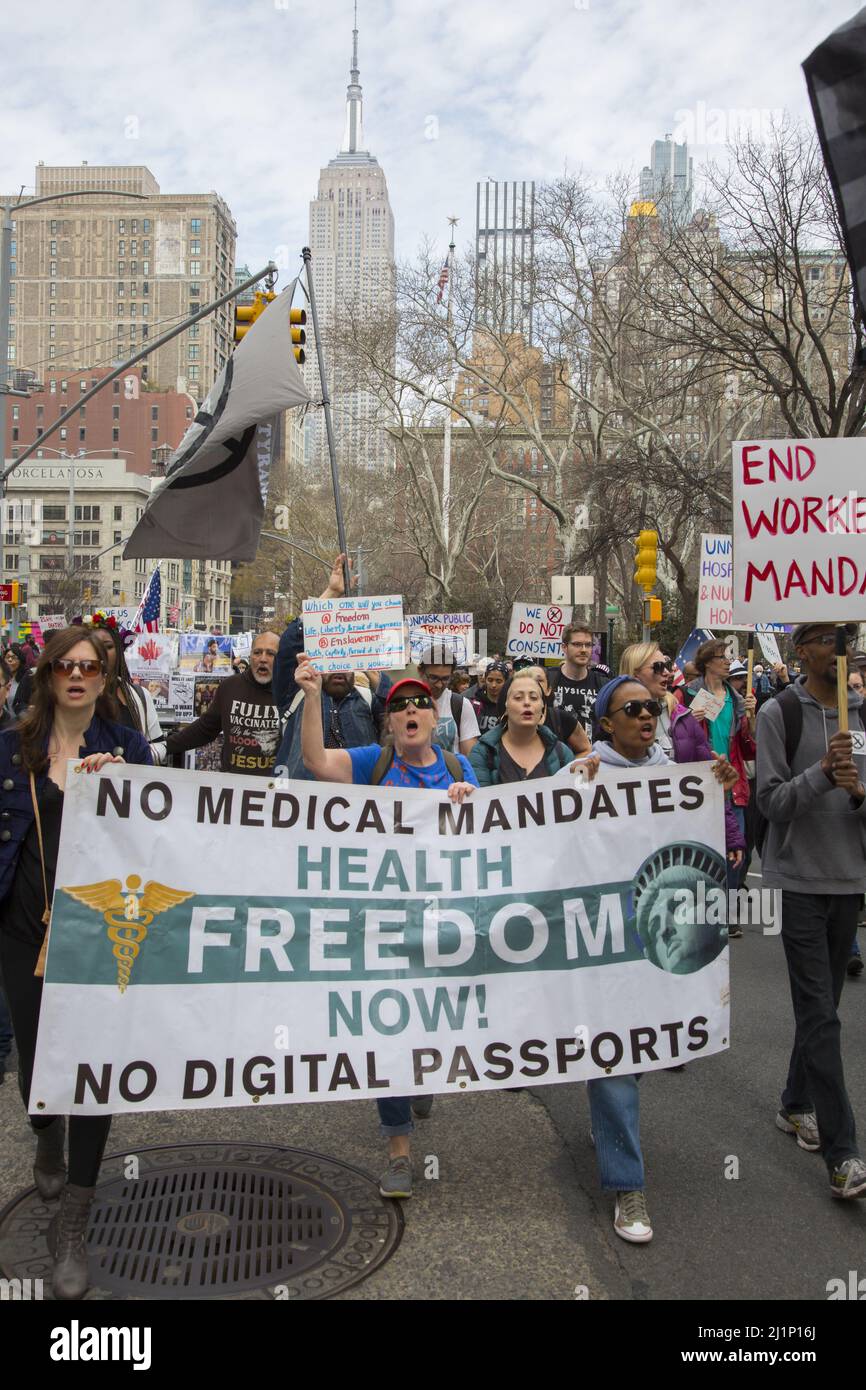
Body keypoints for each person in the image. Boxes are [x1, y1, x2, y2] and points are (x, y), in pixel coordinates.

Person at [0, 627, 152, 1298]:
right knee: (38, 1066)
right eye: (64, 664)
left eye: (89, 666)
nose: (77, 675)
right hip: (23, 930)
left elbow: (169, 827)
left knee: (94, 1070)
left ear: (104, 677)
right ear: (46, 675)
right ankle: (44, 1132)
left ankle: (74, 1222)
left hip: (98, 933)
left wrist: (126, 790)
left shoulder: (125, 747)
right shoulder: (12, 749)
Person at [295, 656, 477, 1200]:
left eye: (421, 701)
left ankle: (423, 1076)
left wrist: (468, 803)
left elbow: (494, 836)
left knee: (433, 1018)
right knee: (390, 1027)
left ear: (435, 714)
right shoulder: (372, 762)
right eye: (399, 704)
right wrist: (309, 696)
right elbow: (314, 761)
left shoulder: (458, 767)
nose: (411, 710)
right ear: (389, 720)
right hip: (384, 921)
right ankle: (398, 1149)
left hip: (444, 921)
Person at [577, 674, 735, 1243]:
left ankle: (605, 1115)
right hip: (596, 941)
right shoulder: (579, 777)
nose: (648, 716)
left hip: (651, 936)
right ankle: (627, 1185)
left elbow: (702, 840)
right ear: (606, 724)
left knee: (631, 1049)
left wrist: (718, 789)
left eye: (653, 707)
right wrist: (567, 787)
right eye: (633, 709)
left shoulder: (676, 777)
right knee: (615, 1051)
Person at [756, 621, 866, 1199]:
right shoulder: (780, 713)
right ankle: (844, 1153)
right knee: (821, 1014)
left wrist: (857, 791)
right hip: (798, 880)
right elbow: (770, 801)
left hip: (849, 880)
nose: (839, 646)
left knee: (823, 1010)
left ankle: (795, 1100)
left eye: (844, 635)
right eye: (826, 637)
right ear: (802, 651)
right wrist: (821, 774)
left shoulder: (862, 713)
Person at [618, 643, 745, 875]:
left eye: (667, 665)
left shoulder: (682, 718)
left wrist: (730, 834)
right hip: (631, 837)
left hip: (677, 835)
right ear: (634, 673)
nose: (667, 672)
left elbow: (709, 781)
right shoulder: (612, 720)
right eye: (657, 667)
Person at [687, 640, 756, 889]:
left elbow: (750, 749)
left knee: (736, 856)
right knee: (702, 856)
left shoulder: (737, 700)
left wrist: (751, 718)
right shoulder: (686, 695)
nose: (728, 662)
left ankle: (728, 914)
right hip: (700, 787)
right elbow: (676, 741)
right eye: (722, 657)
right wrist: (687, 722)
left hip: (732, 788)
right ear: (707, 663)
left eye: (729, 657)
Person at [166, 632, 282, 776]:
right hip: (232, 787)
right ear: (250, 656)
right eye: (257, 652)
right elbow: (205, 729)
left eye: (271, 654)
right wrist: (164, 747)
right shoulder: (230, 686)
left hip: (277, 788)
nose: (263, 659)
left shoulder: (291, 693)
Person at [469, 669, 573, 785]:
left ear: (542, 706)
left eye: (534, 698)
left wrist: (585, 776)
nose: (527, 703)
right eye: (518, 697)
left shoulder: (562, 753)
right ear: (506, 706)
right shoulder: (483, 753)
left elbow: (579, 793)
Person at [85, 618, 166, 764]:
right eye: (93, 647)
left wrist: (133, 759)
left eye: (108, 647)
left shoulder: (139, 696)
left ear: (118, 651)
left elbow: (159, 744)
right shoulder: (73, 697)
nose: (101, 653)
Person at [417, 642, 479, 756]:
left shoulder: (461, 705)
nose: (439, 685)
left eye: (445, 679)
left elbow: (470, 757)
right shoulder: (406, 703)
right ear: (420, 671)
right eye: (434, 678)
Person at [548, 624, 608, 739]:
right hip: (556, 754)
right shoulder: (549, 679)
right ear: (564, 647)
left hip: (591, 755)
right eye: (577, 645)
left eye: (588, 645)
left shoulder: (602, 684)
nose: (584, 650)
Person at [519, 665, 591, 755]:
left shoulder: (562, 718)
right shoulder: (511, 718)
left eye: (539, 680)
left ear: (549, 690)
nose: (534, 684)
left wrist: (567, 768)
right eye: (529, 680)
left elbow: (586, 749)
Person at [470, 660, 509, 735]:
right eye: (490, 680)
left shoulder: (510, 706)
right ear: (485, 679)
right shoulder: (473, 704)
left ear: (506, 682)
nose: (493, 685)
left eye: (499, 681)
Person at [4, 644, 33, 719]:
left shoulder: (27, 679)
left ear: (20, 661)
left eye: (13, 658)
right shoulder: (3, 679)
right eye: (7, 657)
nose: (10, 660)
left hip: (21, 723)